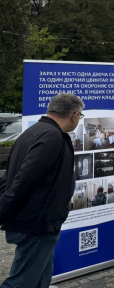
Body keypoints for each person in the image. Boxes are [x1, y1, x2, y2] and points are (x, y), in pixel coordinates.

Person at [0, 93, 82, 288]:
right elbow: (24, 180)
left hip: (38, 221)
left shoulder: (32, 132)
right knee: (22, 282)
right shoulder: (52, 137)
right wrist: (3, 210)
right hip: (37, 223)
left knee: (39, 280)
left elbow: (9, 175)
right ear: (75, 115)